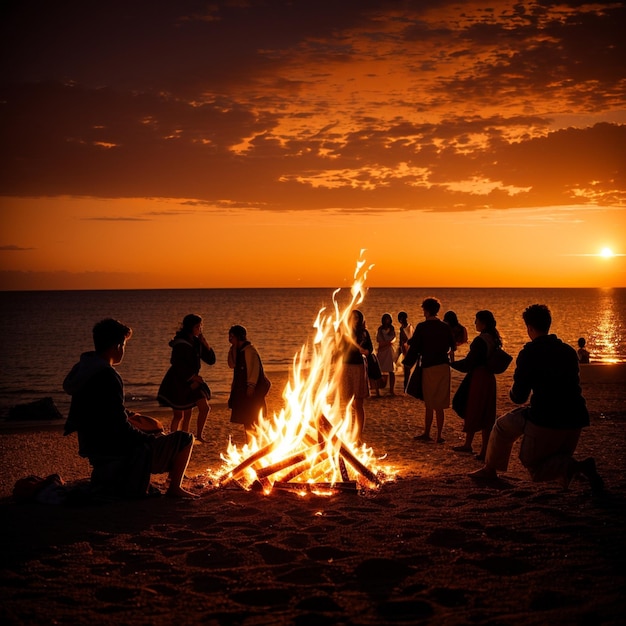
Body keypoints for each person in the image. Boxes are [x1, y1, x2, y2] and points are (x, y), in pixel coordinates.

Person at [469, 304, 604, 493]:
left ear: (529, 328)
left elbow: (519, 397)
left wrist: (511, 391)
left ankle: (577, 467)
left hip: (547, 418)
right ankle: (569, 467)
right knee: (505, 426)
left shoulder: (529, 353)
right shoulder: (568, 351)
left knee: (534, 467)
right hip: (576, 418)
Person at [63, 318, 196, 499]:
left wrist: (133, 419)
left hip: (93, 446)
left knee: (153, 429)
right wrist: (147, 439)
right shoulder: (107, 376)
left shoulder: (84, 371)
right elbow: (119, 427)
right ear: (117, 346)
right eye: (124, 345)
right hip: (114, 448)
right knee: (185, 439)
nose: (124, 350)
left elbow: (104, 413)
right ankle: (175, 488)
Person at [404, 297, 457, 443]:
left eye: (423, 310)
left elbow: (415, 346)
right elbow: (453, 346)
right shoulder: (445, 327)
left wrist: (407, 362)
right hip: (443, 367)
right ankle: (439, 435)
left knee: (429, 402)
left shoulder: (422, 327)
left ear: (426, 310)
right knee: (440, 404)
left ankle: (427, 433)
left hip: (429, 366)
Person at [450, 310, 501, 459]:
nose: (474, 323)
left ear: (483, 322)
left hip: (479, 377)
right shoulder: (494, 338)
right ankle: (478, 448)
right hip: (489, 378)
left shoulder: (480, 341)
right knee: (486, 412)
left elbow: (469, 362)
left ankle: (476, 448)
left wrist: (452, 364)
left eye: (476, 320)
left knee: (472, 408)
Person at [157, 314, 216, 442]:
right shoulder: (180, 343)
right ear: (190, 327)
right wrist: (193, 376)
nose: (199, 329)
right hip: (178, 380)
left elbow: (211, 360)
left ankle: (199, 436)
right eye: (197, 326)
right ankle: (175, 439)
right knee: (181, 415)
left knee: (204, 408)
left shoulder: (197, 342)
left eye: (200, 326)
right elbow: (176, 363)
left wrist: (206, 344)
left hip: (194, 380)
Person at [228, 325, 271, 444]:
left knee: (253, 417)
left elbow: (254, 369)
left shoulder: (249, 350)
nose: (230, 339)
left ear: (239, 337)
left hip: (251, 390)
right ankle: (250, 443)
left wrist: (251, 385)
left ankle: (257, 443)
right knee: (247, 419)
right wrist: (232, 350)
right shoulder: (237, 350)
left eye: (232, 337)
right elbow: (231, 364)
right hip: (242, 390)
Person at [340, 309, 373, 444]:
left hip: (359, 367)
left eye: (357, 318)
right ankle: (347, 433)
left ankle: (358, 435)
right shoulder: (343, 332)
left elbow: (370, 348)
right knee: (347, 403)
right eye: (352, 318)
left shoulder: (364, 333)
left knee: (358, 403)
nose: (354, 320)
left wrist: (366, 351)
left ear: (360, 320)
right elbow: (338, 349)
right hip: (346, 366)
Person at [374, 313, 397, 396]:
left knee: (391, 370)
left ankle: (391, 390)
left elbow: (392, 338)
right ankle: (377, 391)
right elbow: (379, 340)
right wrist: (387, 343)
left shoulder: (392, 328)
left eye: (388, 319)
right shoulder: (380, 329)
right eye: (385, 319)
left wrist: (386, 342)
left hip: (389, 351)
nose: (386, 320)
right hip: (382, 351)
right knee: (378, 370)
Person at [397, 311, 414, 391]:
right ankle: (407, 388)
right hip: (407, 350)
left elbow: (402, 341)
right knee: (407, 371)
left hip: (407, 350)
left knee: (407, 371)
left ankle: (406, 388)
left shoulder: (406, 327)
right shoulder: (409, 326)